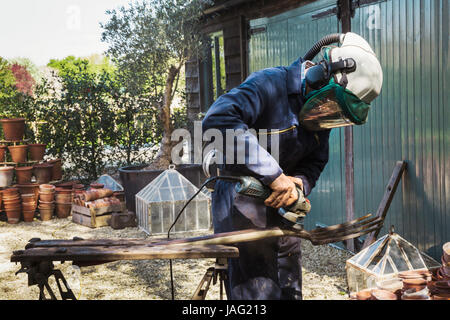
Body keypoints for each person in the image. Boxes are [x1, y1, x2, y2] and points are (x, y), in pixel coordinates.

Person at [201, 32, 383, 300]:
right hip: (241, 204)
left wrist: (299, 183)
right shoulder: (268, 84)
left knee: (289, 291)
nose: (326, 114)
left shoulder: (322, 108)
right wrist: (275, 176)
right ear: (319, 75)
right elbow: (217, 120)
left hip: (283, 212)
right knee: (257, 294)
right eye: (330, 105)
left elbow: (316, 160)